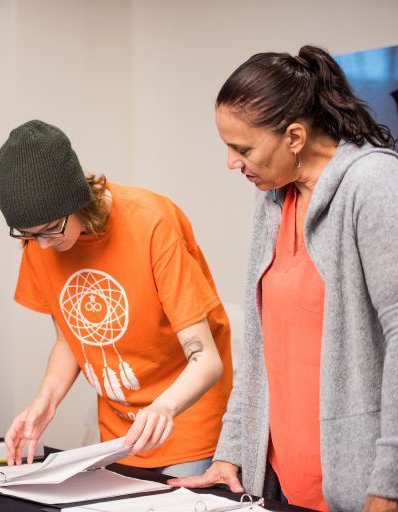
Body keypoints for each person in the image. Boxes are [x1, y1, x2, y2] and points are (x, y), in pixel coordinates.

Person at [169, 46, 398, 512]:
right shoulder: (273, 199)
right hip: (278, 485)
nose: (232, 162)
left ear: (294, 135)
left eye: (243, 148)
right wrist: (232, 451)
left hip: (361, 491)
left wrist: (389, 484)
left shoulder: (374, 185)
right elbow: (258, 342)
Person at [0, 120, 233, 477]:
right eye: (29, 236)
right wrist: (46, 400)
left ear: (77, 199)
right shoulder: (40, 240)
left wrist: (163, 407)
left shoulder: (152, 223)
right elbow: (69, 338)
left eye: (50, 230)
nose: (42, 245)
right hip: (121, 435)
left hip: (185, 424)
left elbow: (206, 360)